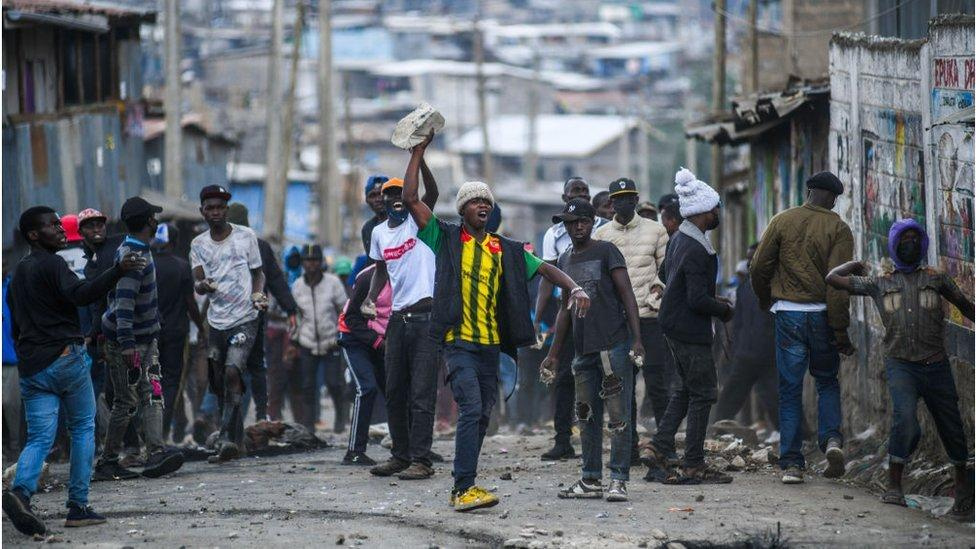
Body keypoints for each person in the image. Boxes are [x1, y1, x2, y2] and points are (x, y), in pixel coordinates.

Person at [403, 133, 590, 512]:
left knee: (484, 415)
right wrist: (419, 154)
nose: (482, 205)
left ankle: (466, 485)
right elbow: (410, 199)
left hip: (492, 348)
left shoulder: (504, 249)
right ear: (462, 210)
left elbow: (547, 269)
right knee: (471, 409)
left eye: (486, 200)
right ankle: (462, 488)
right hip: (458, 344)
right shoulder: (446, 238)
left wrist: (575, 288)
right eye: (474, 200)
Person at [3, 206, 145, 535]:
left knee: (40, 437)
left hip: (32, 366)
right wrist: (117, 271)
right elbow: (80, 295)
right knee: (82, 430)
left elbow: (16, 328)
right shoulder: (54, 263)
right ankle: (78, 506)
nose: (61, 229)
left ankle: (21, 492)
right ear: (34, 236)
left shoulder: (17, 276)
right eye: (52, 226)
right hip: (65, 358)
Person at [826, 219, 974, 517]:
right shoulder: (879, 283)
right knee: (904, 419)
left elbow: (964, 304)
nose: (911, 243)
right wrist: (854, 263)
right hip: (901, 366)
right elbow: (832, 278)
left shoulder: (938, 279)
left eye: (915, 238)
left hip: (936, 365)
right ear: (894, 245)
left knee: (951, 426)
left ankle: (964, 494)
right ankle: (894, 487)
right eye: (904, 238)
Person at [750, 171, 853, 484]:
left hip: (789, 315)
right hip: (822, 315)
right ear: (833, 197)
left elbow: (758, 266)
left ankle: (792, 464)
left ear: (809, 191)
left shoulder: (782, 220)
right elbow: (839, 285)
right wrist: (840, 331)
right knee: (827, 382)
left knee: (790, 390)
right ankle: (832, 441)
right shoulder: (839, 228)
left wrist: (767, 300)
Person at [541, 198, 644, 502]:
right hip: (583, 349)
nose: (577, 227)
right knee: (585, 415)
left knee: (618, 416)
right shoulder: (564, 259)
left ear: (592, 222)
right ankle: (590, 479)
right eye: (571, 223)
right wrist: (554, 353)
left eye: (583, 221)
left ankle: (619, 480)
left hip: (613, 344)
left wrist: (637, 339)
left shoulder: (606, 251)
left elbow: (628, 296)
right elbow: (564, 310)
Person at [642, 168, 735, 485]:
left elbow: (672, 280)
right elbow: (696, 299)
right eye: (716, 209)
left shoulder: (680, 238)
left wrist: (713, 299)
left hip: (672, 323)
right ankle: (693, 464)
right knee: (704, 393)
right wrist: (723, 309)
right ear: (705, 212)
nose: (718, 213)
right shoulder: (698, 248)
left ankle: (658, 445)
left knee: (684, 390)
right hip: (687, 328)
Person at [94, 197, 186, 481]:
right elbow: (123, 303)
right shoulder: (133, 257)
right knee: (126, 400)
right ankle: (107, 461)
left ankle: (156, 452)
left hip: (145, 338)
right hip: (129, 342)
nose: (156, 221)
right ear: (148, 222)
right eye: (153, 218)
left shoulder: (138, 249)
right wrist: (127, 344)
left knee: (153, 393)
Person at [363, 164, 441, 482]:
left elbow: (432, 193)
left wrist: (420, 161)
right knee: (394, 390)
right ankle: (400, 455)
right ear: (382, 201)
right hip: (398, 318)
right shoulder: (379, 234)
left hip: (426, 318)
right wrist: (370, 299)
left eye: (400, 193)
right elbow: (380, 269)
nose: (396, 198)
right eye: (390, 194)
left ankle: (421, 459)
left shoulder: (419, 222)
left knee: (421, 393)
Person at [593, 178, 670, 461]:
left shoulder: (656, 230)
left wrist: (656, 295)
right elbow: (599, 279)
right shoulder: (601, 236)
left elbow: (667, 270)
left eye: (629, 198)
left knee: (657, 383)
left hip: (650, 318)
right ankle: (629, 448)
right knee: (623, 388)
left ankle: (664, 444)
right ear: (611, 203)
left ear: (636, 200)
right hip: (618, 323)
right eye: (619, 198)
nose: (624, 203)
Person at [190, 185, 267, 462]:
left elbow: (258, 274)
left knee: (234, 371)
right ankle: (236, 441)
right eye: (209, 207)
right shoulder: (198, 245)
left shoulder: (246, 236)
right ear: (202, 211)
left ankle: (224, 438)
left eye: (220, 207)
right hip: (216, 322)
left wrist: (258, 294)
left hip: (245, 318)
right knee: (220, 380)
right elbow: (198, 282)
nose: (215, 212)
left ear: (227, 209)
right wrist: (204, 285)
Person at [535, 176, 607, 461]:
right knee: (563, 377)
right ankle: (562, 439)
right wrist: (537, 317)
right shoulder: (554, 234)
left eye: (585, 191)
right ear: (565, 199)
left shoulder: (603, 230)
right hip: (566, 311)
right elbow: (547, 277)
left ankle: (600, 437)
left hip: (599, 311)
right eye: (575, 192)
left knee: (602, 375)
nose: (581, 195)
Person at [226, 203, 298, 422]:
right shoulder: (260, 246)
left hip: (225, 318)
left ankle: (219, 417)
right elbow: (276, 280)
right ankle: (255, 415)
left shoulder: (218, 246)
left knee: (226, 366)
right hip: (253, 318)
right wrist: (291, 309)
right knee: (251, 366)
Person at [712, 243, 779, 432]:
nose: (750, 263)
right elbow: (739, 322)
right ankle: (717, 429)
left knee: (773, 396)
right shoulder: (744, 288)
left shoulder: (774, 287)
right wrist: (734, 349)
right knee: (732, 394)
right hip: (746, 352)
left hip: (767, 352)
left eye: (754, 258)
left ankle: (798, 435)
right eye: (748, 259)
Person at [151, 224, 205, 442]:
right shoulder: (182, 267)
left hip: (151, 333)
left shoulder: (146, 265)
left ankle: (151, 432)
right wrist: (201, 327)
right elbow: (190, 303)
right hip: (176, 333)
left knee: (152, 380)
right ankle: (163, 432)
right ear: (174, 243)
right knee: (172, 382)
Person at [291, 244, 348, 434]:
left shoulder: (333, 283)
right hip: (307, 340)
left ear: (321, 262)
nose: (311, 265)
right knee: (308, 385)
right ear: (302, 263)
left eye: (314, 260)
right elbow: (294, 316)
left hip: (330, 340)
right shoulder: (298, 286)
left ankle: (341, 417)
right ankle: (309, 423)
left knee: (334, 382)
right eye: (307, 261)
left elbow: (343, 310)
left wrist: (341, 334)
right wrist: (293, 340)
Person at [338, 262, 392, 465]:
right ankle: (354, 451)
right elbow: (351, 317)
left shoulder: (406, 274)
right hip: (354, 337)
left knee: (394, 390)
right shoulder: (366, 278)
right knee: (366, 388)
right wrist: (378, 342)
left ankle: (408, 448)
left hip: (380, 338)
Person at [361, 175, 390, 255]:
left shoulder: (406, 219)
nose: (378, 199)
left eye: (381, 194)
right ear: (367, 200)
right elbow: (372, 262)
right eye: (373, 195)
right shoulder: (368, 228)